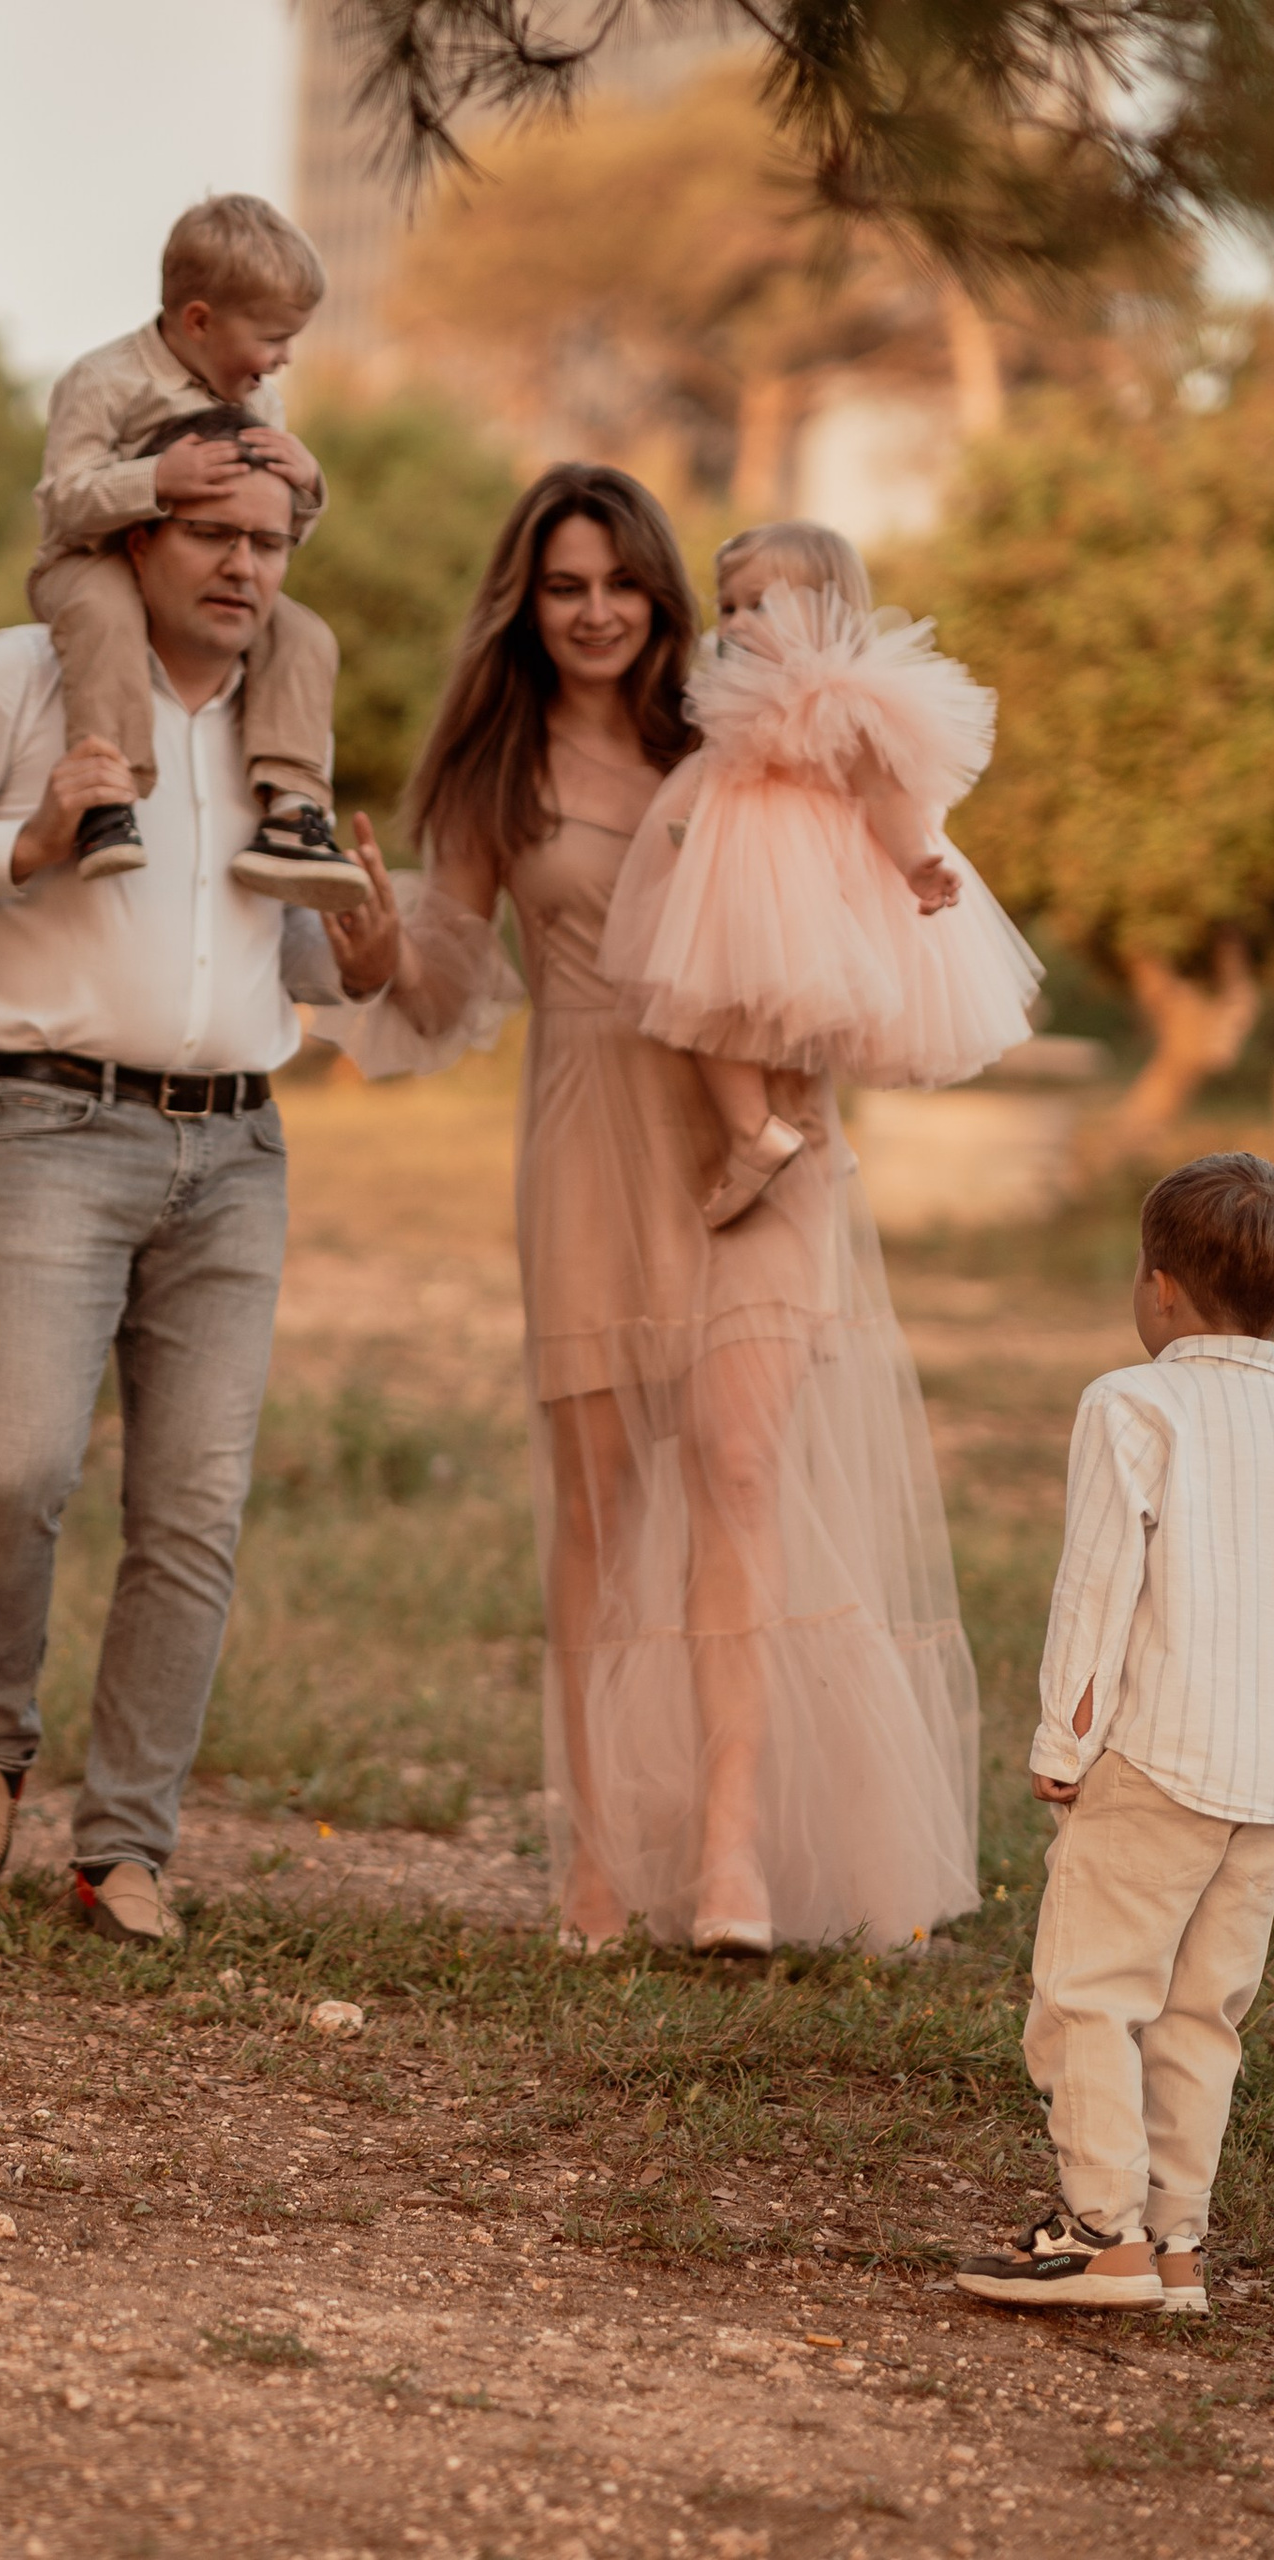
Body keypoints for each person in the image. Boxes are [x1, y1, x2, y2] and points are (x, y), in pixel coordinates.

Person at [315, 464, 977, 1956]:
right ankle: (603, 1859)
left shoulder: (735, 728)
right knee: (605, 1515)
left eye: (620, 581)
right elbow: (443, 980)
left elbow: (859, 871)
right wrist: (368, 961)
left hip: (758, 1147)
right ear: (527, 602)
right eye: (564, 584)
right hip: (588, 1146)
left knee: (741, 1469)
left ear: (664, 595)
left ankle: (736, 1860)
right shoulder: (499, 773)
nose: (596, 609)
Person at [0, 419, 435, 1945]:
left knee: (193, 1509)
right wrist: (19, 843)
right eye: (216, 532)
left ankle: (125, 1849)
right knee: (15, 1474)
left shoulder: (285, 714)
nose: (245, 566)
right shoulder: (22, 676)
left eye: (272, 543)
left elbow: (273, 949)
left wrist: (356, 964)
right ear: (140, 538)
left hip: (238, 1149)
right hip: (53, 1128)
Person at [956, 1155, 1274, 2316]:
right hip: (1266, 1777)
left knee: (1089, 1993)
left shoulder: (1134, 1402)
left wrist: (1061, 1737)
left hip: (1155, 1752)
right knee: (1204, 2012)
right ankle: (1178, 2246)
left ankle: (1102, 2235)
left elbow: (1097, 1586)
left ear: (1160, 1291)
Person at [599, 519, 1042, 1226]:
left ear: (829, 609)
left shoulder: (839, 694)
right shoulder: (732, 687)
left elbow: (884, 791)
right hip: (735, 870)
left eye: (761, 605)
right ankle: (768, 1133)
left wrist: (916, 862)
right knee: (706, 1005)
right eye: (730, 606)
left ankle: (759, 1135)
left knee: (703, 1003)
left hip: (779, 878)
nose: (737, 622)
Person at [27, 192, 369, 911]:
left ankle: (294, 810)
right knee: (105, 609)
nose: (285, 358)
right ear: (200, 321)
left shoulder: (259, 403)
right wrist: (156, 480)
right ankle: (108, 795)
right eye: (273, 338)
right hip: (88, 563)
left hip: (193, 579)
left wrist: (309, 486)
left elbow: (271, 525)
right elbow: (60, 501)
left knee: (304, 633)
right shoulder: (102, 382)